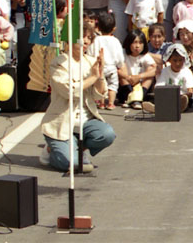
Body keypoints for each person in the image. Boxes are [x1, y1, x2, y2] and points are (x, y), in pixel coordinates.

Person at [40, 24, 115, 173]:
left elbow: (99, 94)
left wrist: (99, 75)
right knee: (74, 164)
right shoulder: (59, 62)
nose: (85, 41)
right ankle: (51, 151)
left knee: (107, 134)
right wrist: (92, 77)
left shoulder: (90, 61)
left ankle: (79, 148)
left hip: (85, 120)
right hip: (63, 122)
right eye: (82, 37)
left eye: (89, 38)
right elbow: (69, 91)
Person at [144, 43, 193, 114]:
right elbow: (159, 87)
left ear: (184, 60)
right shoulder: (165, 71)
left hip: (182, 97)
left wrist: (181, 95)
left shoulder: (187, 71)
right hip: (168, 97)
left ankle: (169, 108)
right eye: (175, 60)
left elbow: (190, 91)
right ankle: (158, 108)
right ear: (169, 60)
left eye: (180, 60)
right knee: (160, 99)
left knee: (185, 100)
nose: (178, 63)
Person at [91, 12, 127, 110]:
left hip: (99, 66)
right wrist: (119, 65)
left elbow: (91, 52)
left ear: (98, 27)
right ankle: (110, 103)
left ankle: (101, 103)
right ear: (114, 28)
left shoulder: (96, 40)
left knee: (100, 84)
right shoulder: (115, 41)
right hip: (112, 67)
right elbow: (120, 57)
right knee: (112, 85)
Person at [117, 29, 156, 109]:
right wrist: (128, 77)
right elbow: (116, 70)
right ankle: (132, 98)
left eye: (140, 43)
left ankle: (135, 99)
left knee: (150, 74)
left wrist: (139, 76)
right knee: (121, 68)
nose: (137, 46)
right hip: (126, 86)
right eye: (135, 42)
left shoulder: (144, 55)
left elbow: (155, 69)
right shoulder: (123, 53)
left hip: (140, 87)